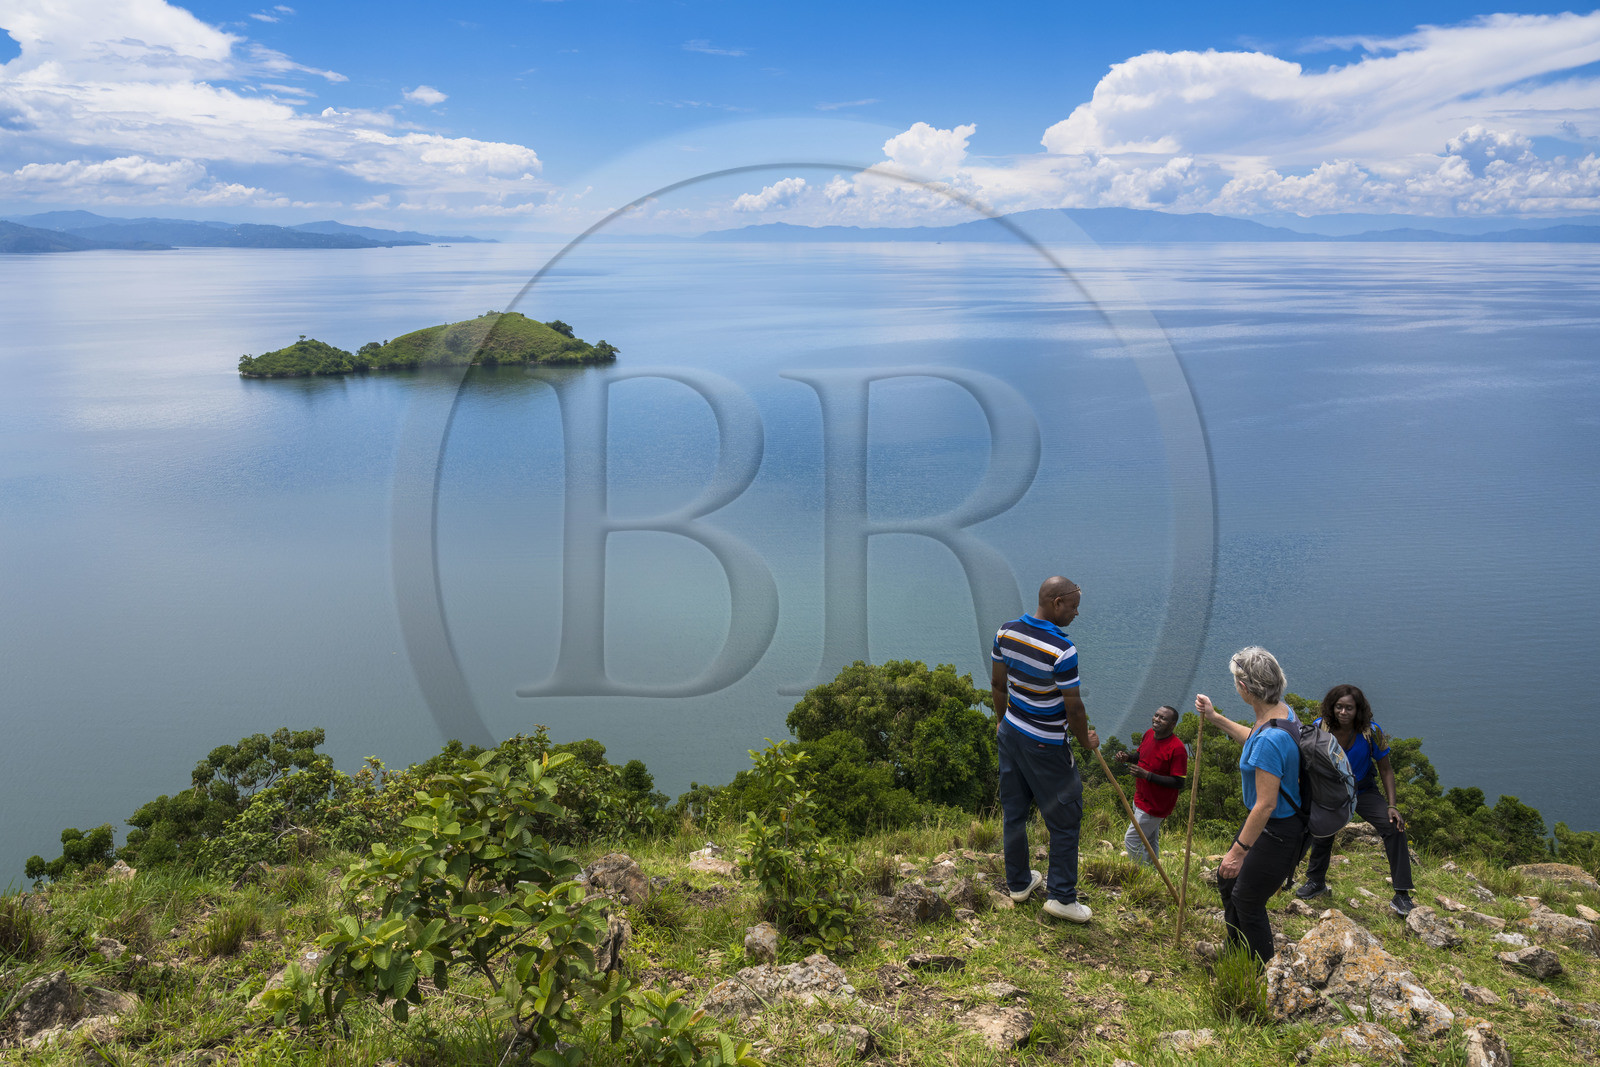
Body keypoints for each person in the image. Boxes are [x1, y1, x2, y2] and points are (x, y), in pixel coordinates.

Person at [991, 576, 1100, 923]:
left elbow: (997, 684)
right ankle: (1062, 898)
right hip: (1046, 743)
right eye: (1073, 605)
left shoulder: (1005, 632)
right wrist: (1085, 741)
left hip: (1011, 733)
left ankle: (1019, 884)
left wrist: (1002, 723)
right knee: (1066, 820)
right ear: (1056, 603)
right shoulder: (1062, 650)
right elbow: (1075, 708)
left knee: (1014, 812)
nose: (1077, 613)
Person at [1195, 646, 1307, 965]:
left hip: (1279, 832)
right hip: (1278, 826)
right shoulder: (1278, 714)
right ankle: (1237, 954)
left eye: (1235, 682)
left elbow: (1265, 804)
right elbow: (1255, 740)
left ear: (1244, 688)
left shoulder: (1273, 738)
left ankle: (1260, 976)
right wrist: (1216, 718)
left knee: (1247, 900)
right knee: (1228, 880)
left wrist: (1238, 851)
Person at [1294, 684, 1416, 916]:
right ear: (1332, 707)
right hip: (1330, 791)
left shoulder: (1371, 732)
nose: (1343, 712)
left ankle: (1402, 894)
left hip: (1363, 790)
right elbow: (1305, 761)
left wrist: (1392, 806)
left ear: (1358, 710)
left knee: (1394, 827)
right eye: (1339, 707)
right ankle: (1316, 882)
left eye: (1349, 708)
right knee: (1321, 829)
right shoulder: (1320, 727)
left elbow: (1386, 770)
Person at [1114, 704, 1189, 866]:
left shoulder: (1177, 749)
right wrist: (1127, 757)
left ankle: (1142, 873)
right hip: (1140, 798)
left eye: (1163, 718)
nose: (1157, 720)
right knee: (1149, 841)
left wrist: (1147, 775)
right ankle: (1154, 873)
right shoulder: (1149, 734)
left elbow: (1178, 782)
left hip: (1155, 805)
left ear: (1172, 724)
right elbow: (1140, 756)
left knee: (1132, 840)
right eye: (1156, 715)